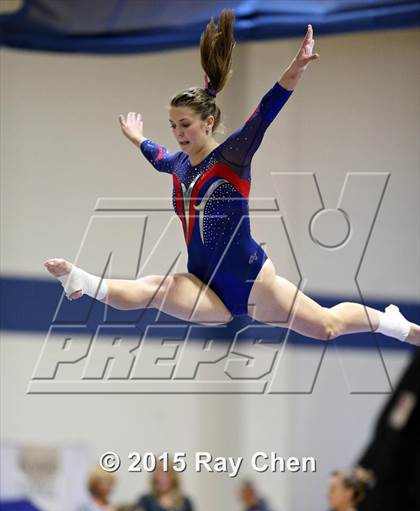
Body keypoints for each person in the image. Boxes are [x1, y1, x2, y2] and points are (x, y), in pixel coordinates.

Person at [44, 11, 419, 347]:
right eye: (173, 125)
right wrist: (137, 137)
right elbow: (155, 155)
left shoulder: (233, 157)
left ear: (208, 123)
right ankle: (83, 282)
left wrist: (296, 69)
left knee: (327, 327)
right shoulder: (176, 165)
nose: (178, 133)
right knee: (155, 290)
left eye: (185, 124)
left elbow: (265, 112)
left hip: (252, 281)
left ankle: (395, 325)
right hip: (203, 284)